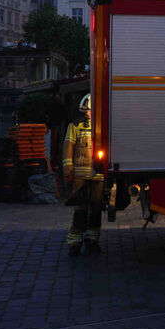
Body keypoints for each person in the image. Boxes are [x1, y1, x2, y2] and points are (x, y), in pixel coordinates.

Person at [64, 94, 103, 256]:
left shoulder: (103, 125)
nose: (89, 113)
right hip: (80, 175)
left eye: (91, 110)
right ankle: (75, 242)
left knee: (96, 208)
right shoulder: (75, 126)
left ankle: (92, 240)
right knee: (80, 209)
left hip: (98, 176)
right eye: (87, 111)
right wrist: (68, 168)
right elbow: (68, 147)